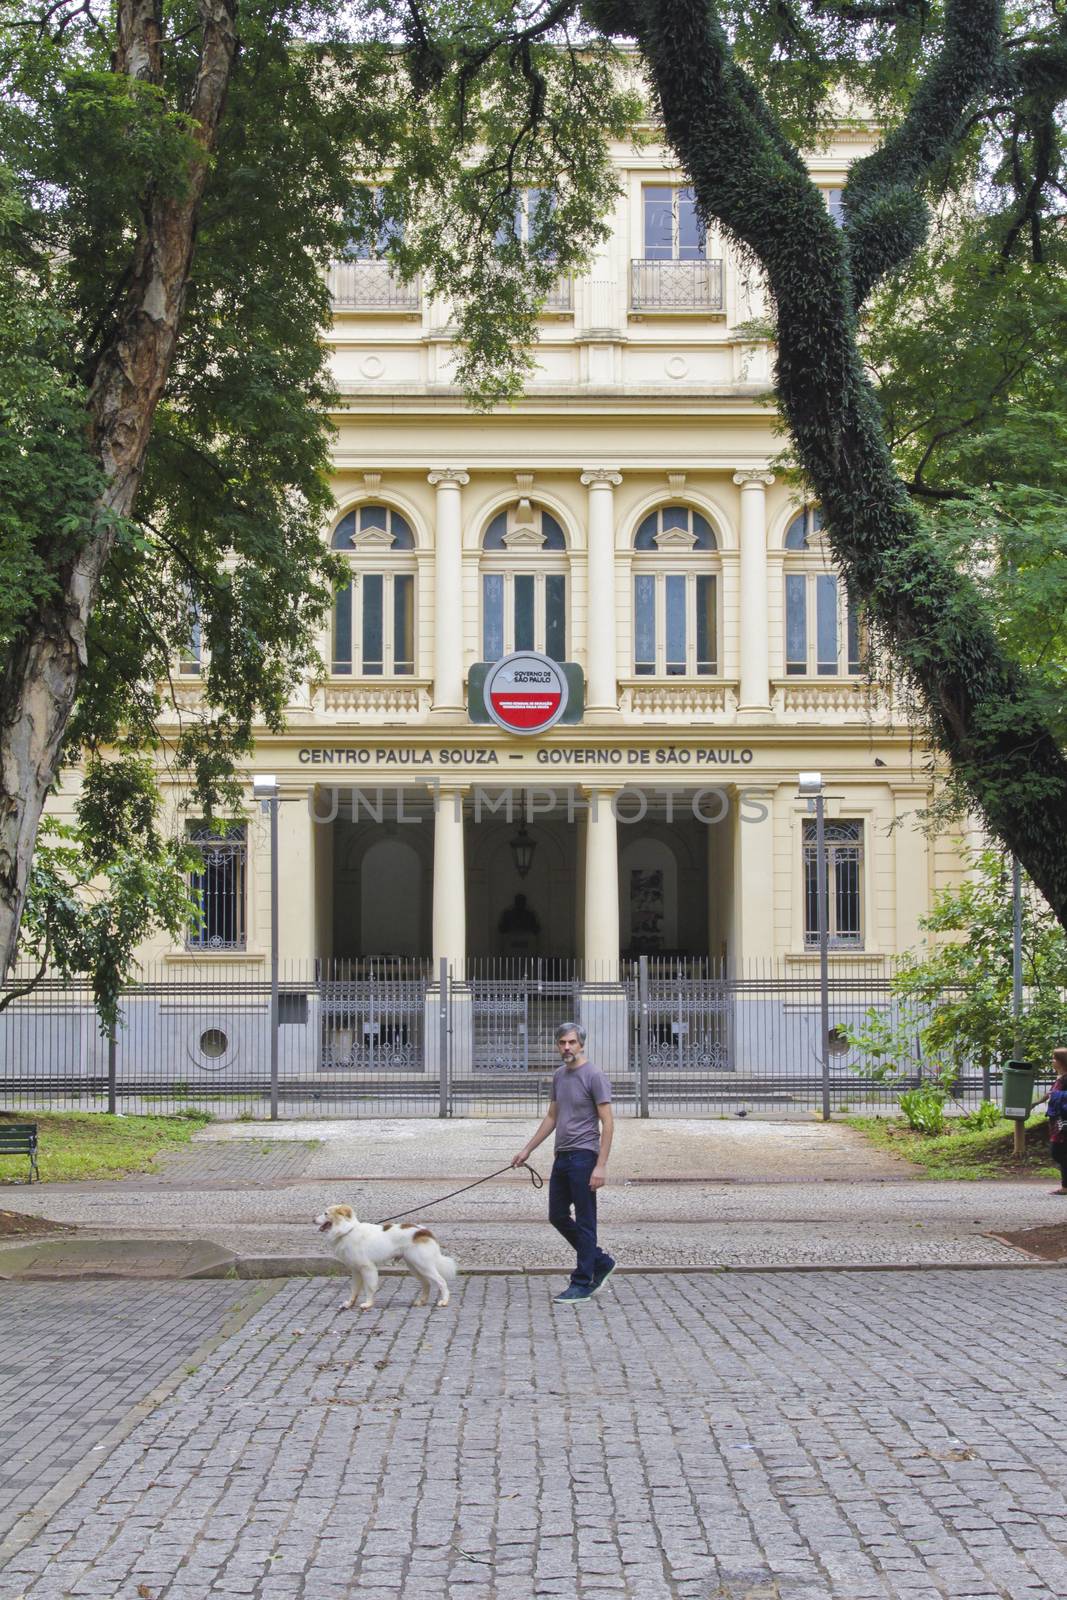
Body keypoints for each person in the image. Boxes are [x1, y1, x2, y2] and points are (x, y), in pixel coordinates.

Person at [511, 1021, 616, 1305]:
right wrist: (527, 1150)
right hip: (563, 1156)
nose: (566, 1047)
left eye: (571, 1042)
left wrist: (601, 1165)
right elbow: (552, 1117)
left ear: (581, 1043)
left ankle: (582, 1281)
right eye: (562, 1043)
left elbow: (607, 1123)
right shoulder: (559, 1075)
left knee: (585, 1221)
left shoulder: (594, 1075)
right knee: (557, 1215)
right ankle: (600, 1261)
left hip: (584, 1156)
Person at [1043, 1047, 1067, 1195]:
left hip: (1063, 1122)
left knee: (1059, 1152)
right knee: (1060, 1152)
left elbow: (1059, 1095)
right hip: (1057, 1121)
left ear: (1062, 1062)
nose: (1052, 1061)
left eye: (1054, 1058)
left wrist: (1056, 1095)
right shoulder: (1061, 1077)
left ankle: (1065, 1187)